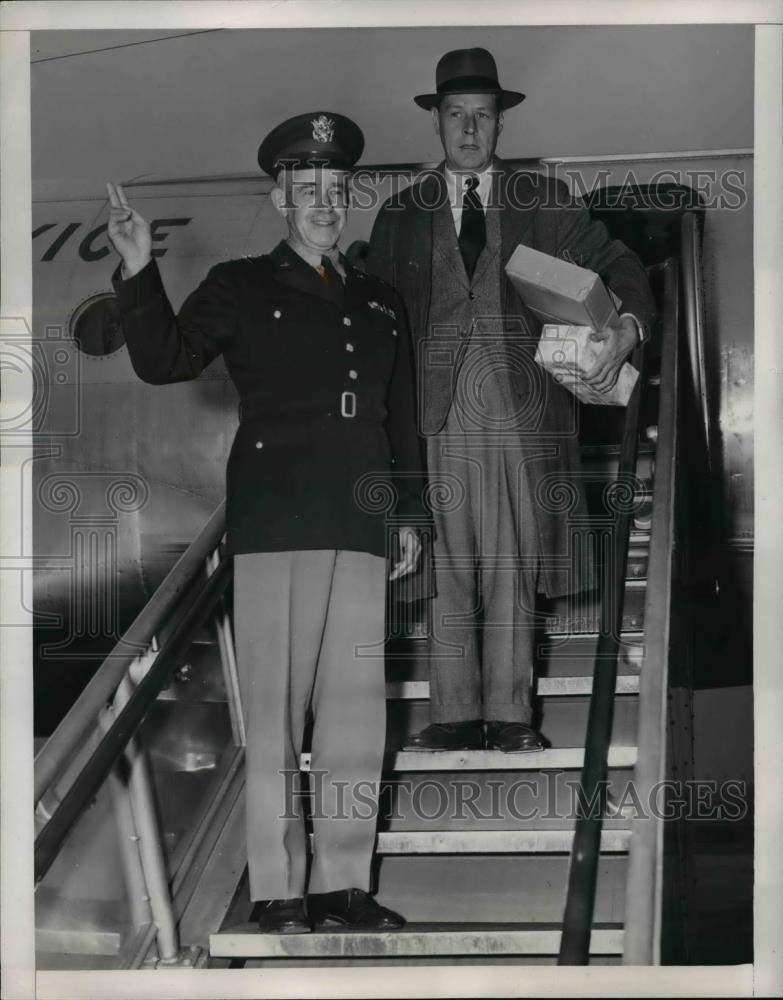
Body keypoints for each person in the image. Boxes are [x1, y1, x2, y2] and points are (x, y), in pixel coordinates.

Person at [106, 111, 425, 932]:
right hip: (277, 517)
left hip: (359, 516)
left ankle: (342, 885)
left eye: (336, 187)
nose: (324, 201)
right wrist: (140, 270)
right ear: (280, 196)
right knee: (277, 713)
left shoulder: (381, 301)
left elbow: (400, 417)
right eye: (307, 187)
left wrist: (409, 514)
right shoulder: (240, 286)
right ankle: (281, 889)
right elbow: (165, 359)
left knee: (358, 712)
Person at [366, 48, 655, 752]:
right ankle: (453, 713)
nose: (469, 130)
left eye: (483, 117)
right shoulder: (399, 215)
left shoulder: (546, 202)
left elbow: (618, 262)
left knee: (512, 562)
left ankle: (511, 715)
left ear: (499, 126)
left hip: (522, 409)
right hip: (433, 415)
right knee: (447, 563)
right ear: (435, 122)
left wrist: (625, 325)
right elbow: (371, 317)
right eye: (457, 116)